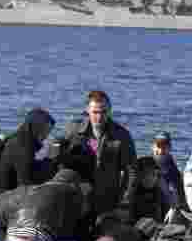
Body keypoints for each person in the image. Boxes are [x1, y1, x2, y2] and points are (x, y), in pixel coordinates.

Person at [52, 90, 137, 220]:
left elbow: (131, 172)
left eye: (103, 112)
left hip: (107, 201)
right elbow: (60, 162)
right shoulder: (74, 130)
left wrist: (125, 202)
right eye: (95, 112)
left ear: (110, 111)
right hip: (77, 198)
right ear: (87, 111)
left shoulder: (122, 135)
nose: (99, 117)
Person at [0, 108, 56, 193]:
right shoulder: (22, 146)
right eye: (45, 131)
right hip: (6, 196)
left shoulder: (23, 139)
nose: (46, 135)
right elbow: (26, 182)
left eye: (49, 131)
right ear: (36, 128)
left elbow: (30, 167)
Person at [151, 131, 187, 217]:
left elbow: (173, 185)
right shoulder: (166, 159)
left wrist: (174, 207)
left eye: (164, 147)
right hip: (164, 203)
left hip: (168, 204)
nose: (160, 151)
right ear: (152, 147)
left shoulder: (166, 160)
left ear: (169, 147)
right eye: (158, 147)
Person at [131, 156, 165, 223]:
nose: (155, 178)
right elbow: (132, 213)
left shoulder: (159, 192)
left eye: (156, 175)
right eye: (153, 174)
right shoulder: (135, 191)